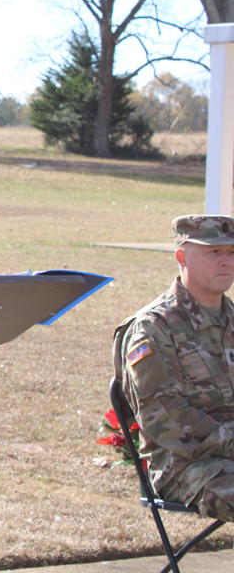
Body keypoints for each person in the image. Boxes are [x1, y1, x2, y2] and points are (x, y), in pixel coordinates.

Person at [112, 215, 234, 523]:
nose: (226, 261)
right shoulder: (154, 328)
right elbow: (167, 421)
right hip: (185, 466)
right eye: (213, 252)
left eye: (231, 252)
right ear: (181, 256)